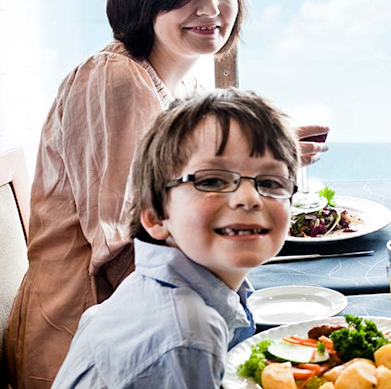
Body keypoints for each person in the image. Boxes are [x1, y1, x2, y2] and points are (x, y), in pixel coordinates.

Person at [3, 0, 325, 386]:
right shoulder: (115, 81)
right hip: (97, 343)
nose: (210, 9)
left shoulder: (185, 79)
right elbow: (127, 248)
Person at [53, 88, 299, 388]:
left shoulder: (161, 290)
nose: (249, 198)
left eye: (271, 182)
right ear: (156, 217)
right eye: (211, 180)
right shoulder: (187, 336)